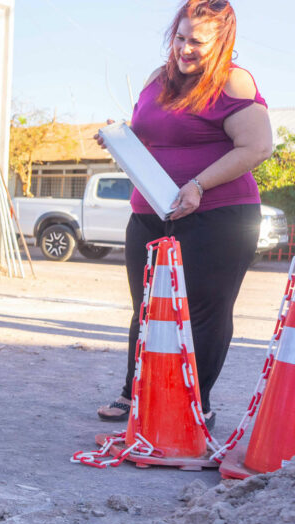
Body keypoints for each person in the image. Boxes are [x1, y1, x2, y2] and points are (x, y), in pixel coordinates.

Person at [94, 0, 272, 429]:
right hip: (151, 211)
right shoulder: (159, 78)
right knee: (146, 308)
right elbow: (155, 133)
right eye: (179, 38)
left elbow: (257, 146)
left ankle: (196, 404)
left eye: (197, 41)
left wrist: (198, 185)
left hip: (219, 213)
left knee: (204, 310)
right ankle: (133, 394)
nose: (184, 49)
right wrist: (122, 138)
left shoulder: (234, 82)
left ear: (221, 41)